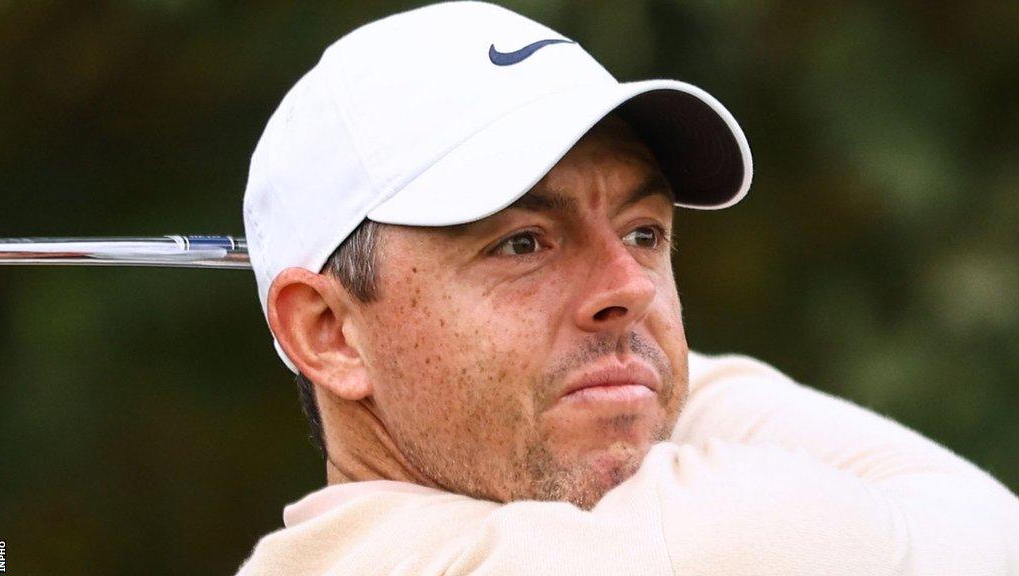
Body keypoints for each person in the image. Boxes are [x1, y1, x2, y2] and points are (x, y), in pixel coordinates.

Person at [236, 2, 1019, 574]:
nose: (629, 287)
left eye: (643, 232)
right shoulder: (718, 540)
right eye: (522, 243)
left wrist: (604, 368)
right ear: (328, 333)